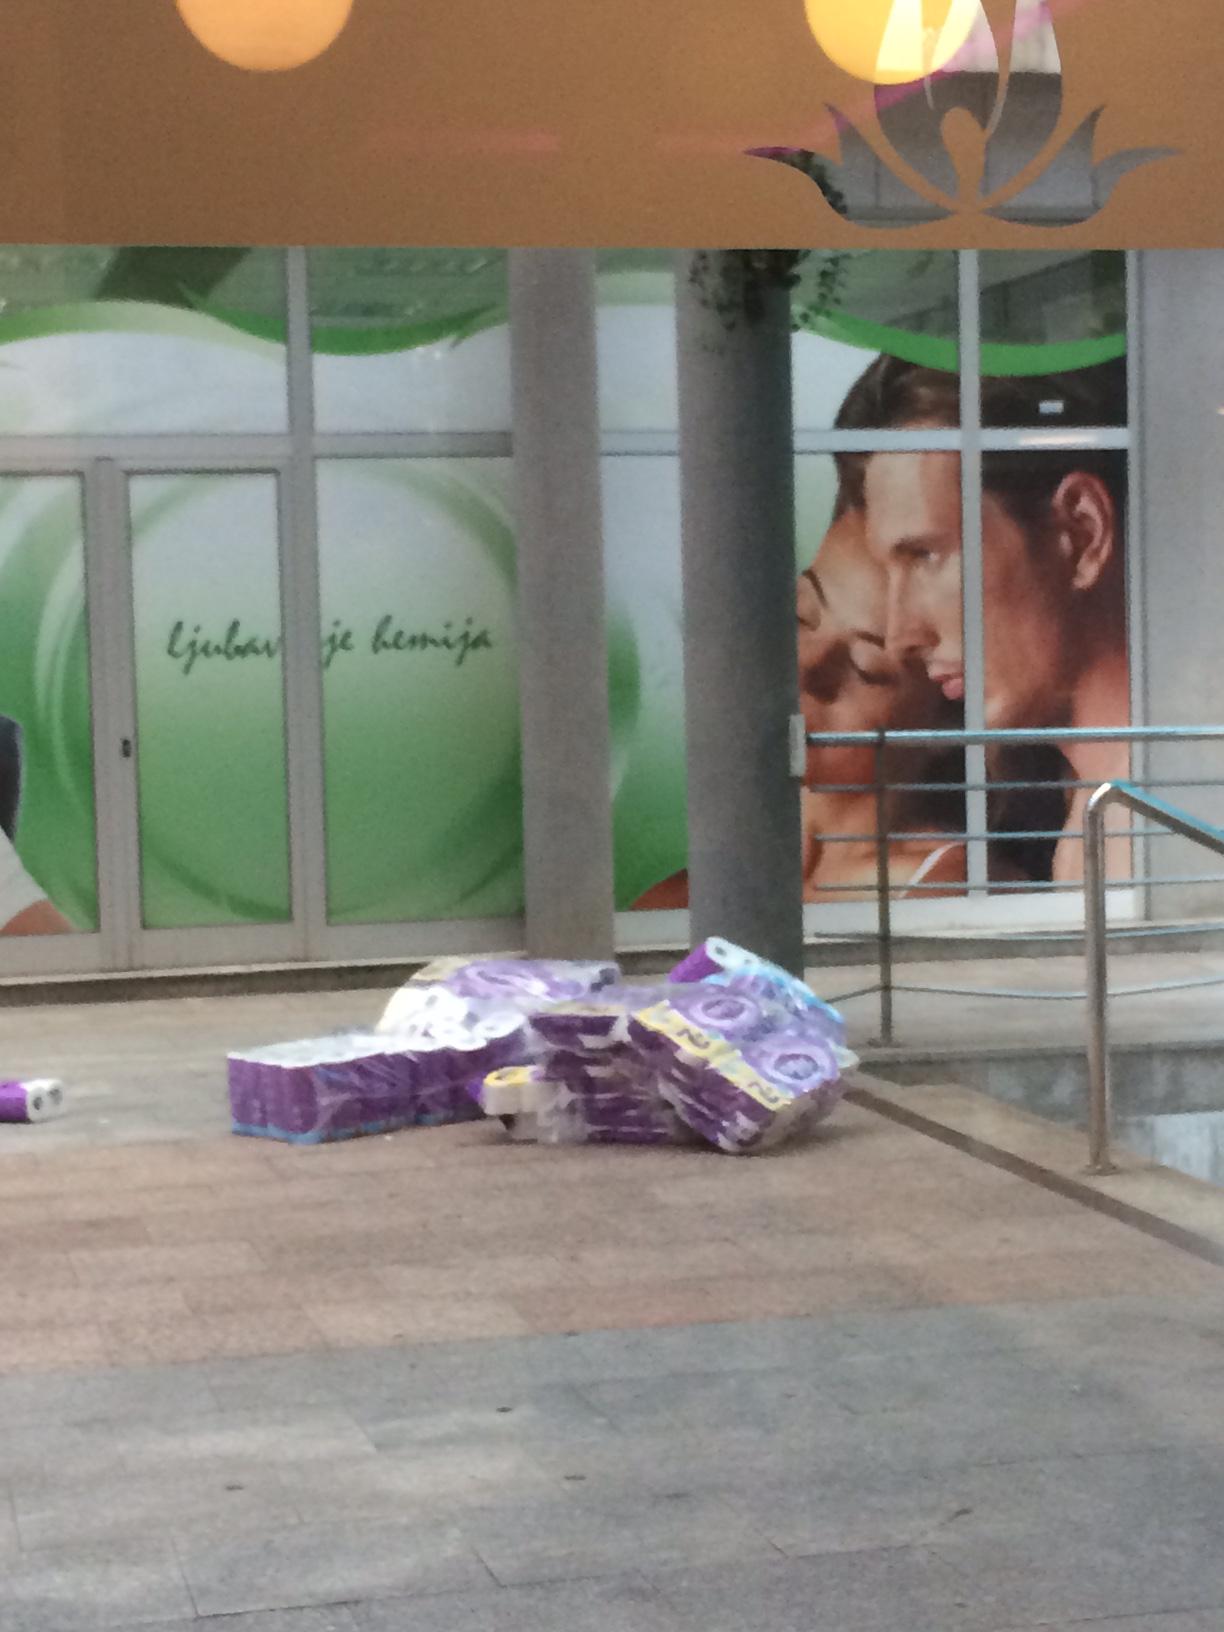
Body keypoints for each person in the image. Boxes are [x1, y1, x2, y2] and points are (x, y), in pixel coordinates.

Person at [836, 356, 1128, 882]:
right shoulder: (1097, 810)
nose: (901, 635)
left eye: (925, 557)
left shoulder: (1156, 816)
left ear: (1081, 533)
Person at [634, 502, 976, 908]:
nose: (803, 665)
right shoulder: (686, 893)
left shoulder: (946, 888)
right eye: (801, 616)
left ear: (944, 724)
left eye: (864, 665)